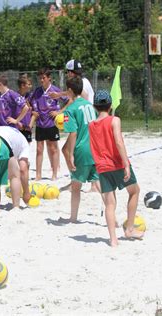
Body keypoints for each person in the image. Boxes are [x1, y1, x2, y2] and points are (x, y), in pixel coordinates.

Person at [88, 90, 143, 247]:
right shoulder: (114, 120)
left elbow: (93, 147)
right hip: (117, 163)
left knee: (110, 204)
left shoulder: (91, 125)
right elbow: (119, 142)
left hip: (102, 167)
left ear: (94, 107)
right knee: (134, 191)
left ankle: (113, 240)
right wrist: (126, 164)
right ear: (110, 105)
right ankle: (130, 229)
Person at [60, 76, 100, 223]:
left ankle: (73, 217)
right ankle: (112, 217)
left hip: (81, 150)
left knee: (76, 185)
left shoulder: (70, 109)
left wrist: (70, 154)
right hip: (94, 148)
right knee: (100, 183)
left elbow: (73, 133)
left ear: (70, 90)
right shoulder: (90, 105)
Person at [29, 68, 67, 181]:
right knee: (39, 149)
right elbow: (28, 102)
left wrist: (59, 112)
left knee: (53, 148)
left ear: (49, 78)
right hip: (40, 124)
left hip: (52, 123)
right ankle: (38, 175)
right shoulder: (37, 91)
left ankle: (54, 174)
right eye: (40, 78)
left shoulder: (55, 90)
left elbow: (69, 100)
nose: (41, 80)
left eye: (43, 78)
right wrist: (32, 111)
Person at [0, 126, 31, 213]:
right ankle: (16, 206)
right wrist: (26, 193)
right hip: (3, 142)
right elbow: (23, 169)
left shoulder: (17, 136)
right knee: (14, 176)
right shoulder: (25, 146)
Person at [16, 74, 33, 143]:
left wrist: (30, 125)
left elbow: (34, 113)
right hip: (17, 128)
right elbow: (9, 113)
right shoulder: (14, 97)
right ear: (23, 86)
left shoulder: (30, 96)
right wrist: (17, 123)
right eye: (29, 84)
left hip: (27, 129)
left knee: (27, 149)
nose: (30, 86)